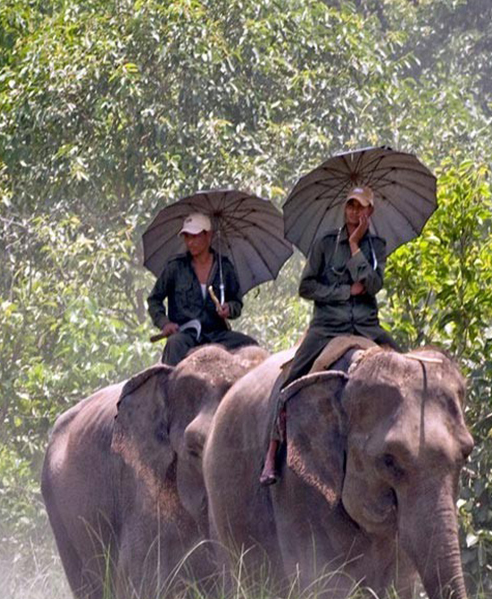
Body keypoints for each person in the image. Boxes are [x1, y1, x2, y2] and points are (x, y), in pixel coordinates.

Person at [260, 185, 397, 485]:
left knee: (406, 371)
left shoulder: (376, 247)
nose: (354, 211)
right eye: (350, 205)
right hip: (326, 327)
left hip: (366, 326)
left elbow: (373, 285)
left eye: (360, 207)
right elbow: (306, 287)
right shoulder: (323, 245)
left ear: (369, 212)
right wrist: (344, 292)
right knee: (289, 381)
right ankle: (272, 453)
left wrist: (356, 246)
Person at [146, 212, 259, 366]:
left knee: (250, 345)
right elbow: (154, 300)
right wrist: (164, 323)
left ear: (208, 236)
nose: (190, 242)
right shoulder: (175, 267)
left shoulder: (224, 267)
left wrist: (229, 309)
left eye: (195, 236)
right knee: (173, 344)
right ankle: (168, 387)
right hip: (186, 334)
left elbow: (237, 303)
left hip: (217, 333)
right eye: (187, 237)